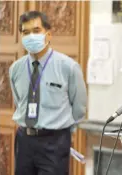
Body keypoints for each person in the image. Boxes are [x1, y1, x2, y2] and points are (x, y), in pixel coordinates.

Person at [9, 11, 87, 175]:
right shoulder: (15, 69)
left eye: (36, 31)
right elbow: (19, 102)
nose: (31, 36)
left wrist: (61, 131)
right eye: (25, 32)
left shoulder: (68, 67)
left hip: (54, 142)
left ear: (48, 35)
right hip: (24, 141)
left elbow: (79, 108)